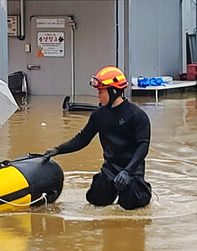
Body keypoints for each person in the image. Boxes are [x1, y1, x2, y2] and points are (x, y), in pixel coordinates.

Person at [43, 66, 152, 210]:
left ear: (114, 91)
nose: (98, 96)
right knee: (95, 201)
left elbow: (143, 146)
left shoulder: (137, 116)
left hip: (132, 171)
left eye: (101, 91)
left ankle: (143, 190)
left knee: (131, 204)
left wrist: (128, 172)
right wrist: (57, 150)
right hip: (110, 170)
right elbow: (82, 139)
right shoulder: (98, 115)